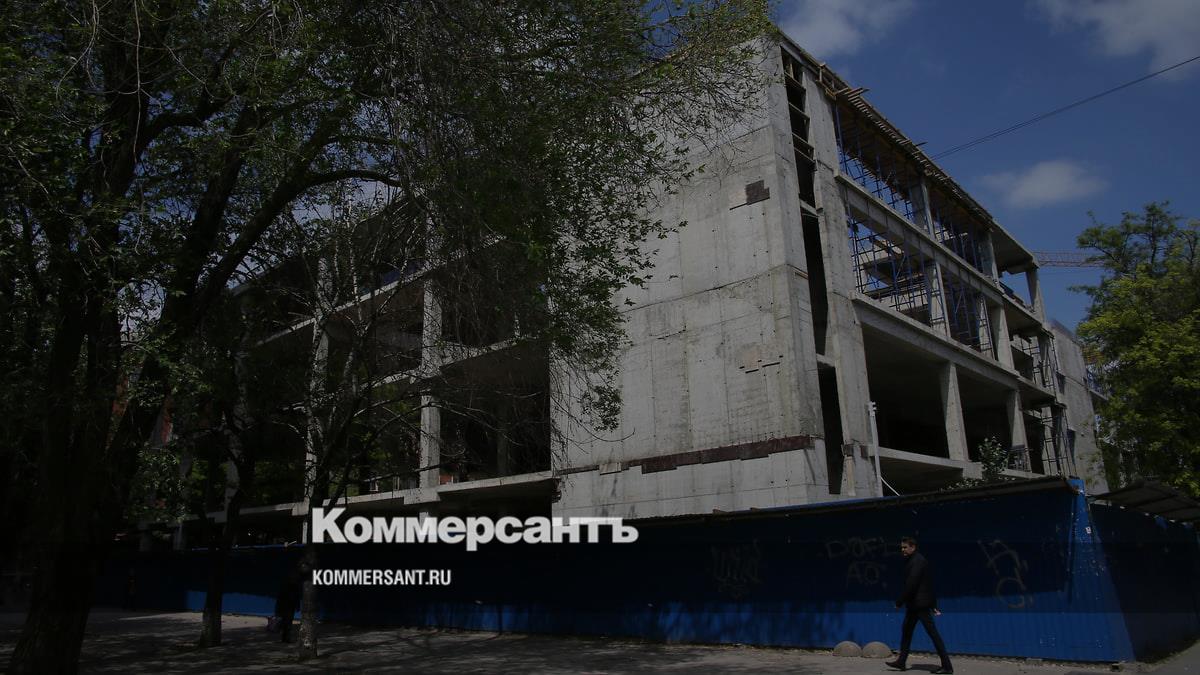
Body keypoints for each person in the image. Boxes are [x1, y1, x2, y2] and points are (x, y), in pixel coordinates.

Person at [886, 536, 952, 674]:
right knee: (906, 631)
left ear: (913, 547)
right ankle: (901, 661)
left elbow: (912, 584)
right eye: (901, 547)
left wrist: (899, 602)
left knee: (933, 634)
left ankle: (947, 666)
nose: (902, 550)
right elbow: (927, 584)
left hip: (920, 604)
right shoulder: (913, 560)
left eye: (905, 547)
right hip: (914, 604)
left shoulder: (918, 561)